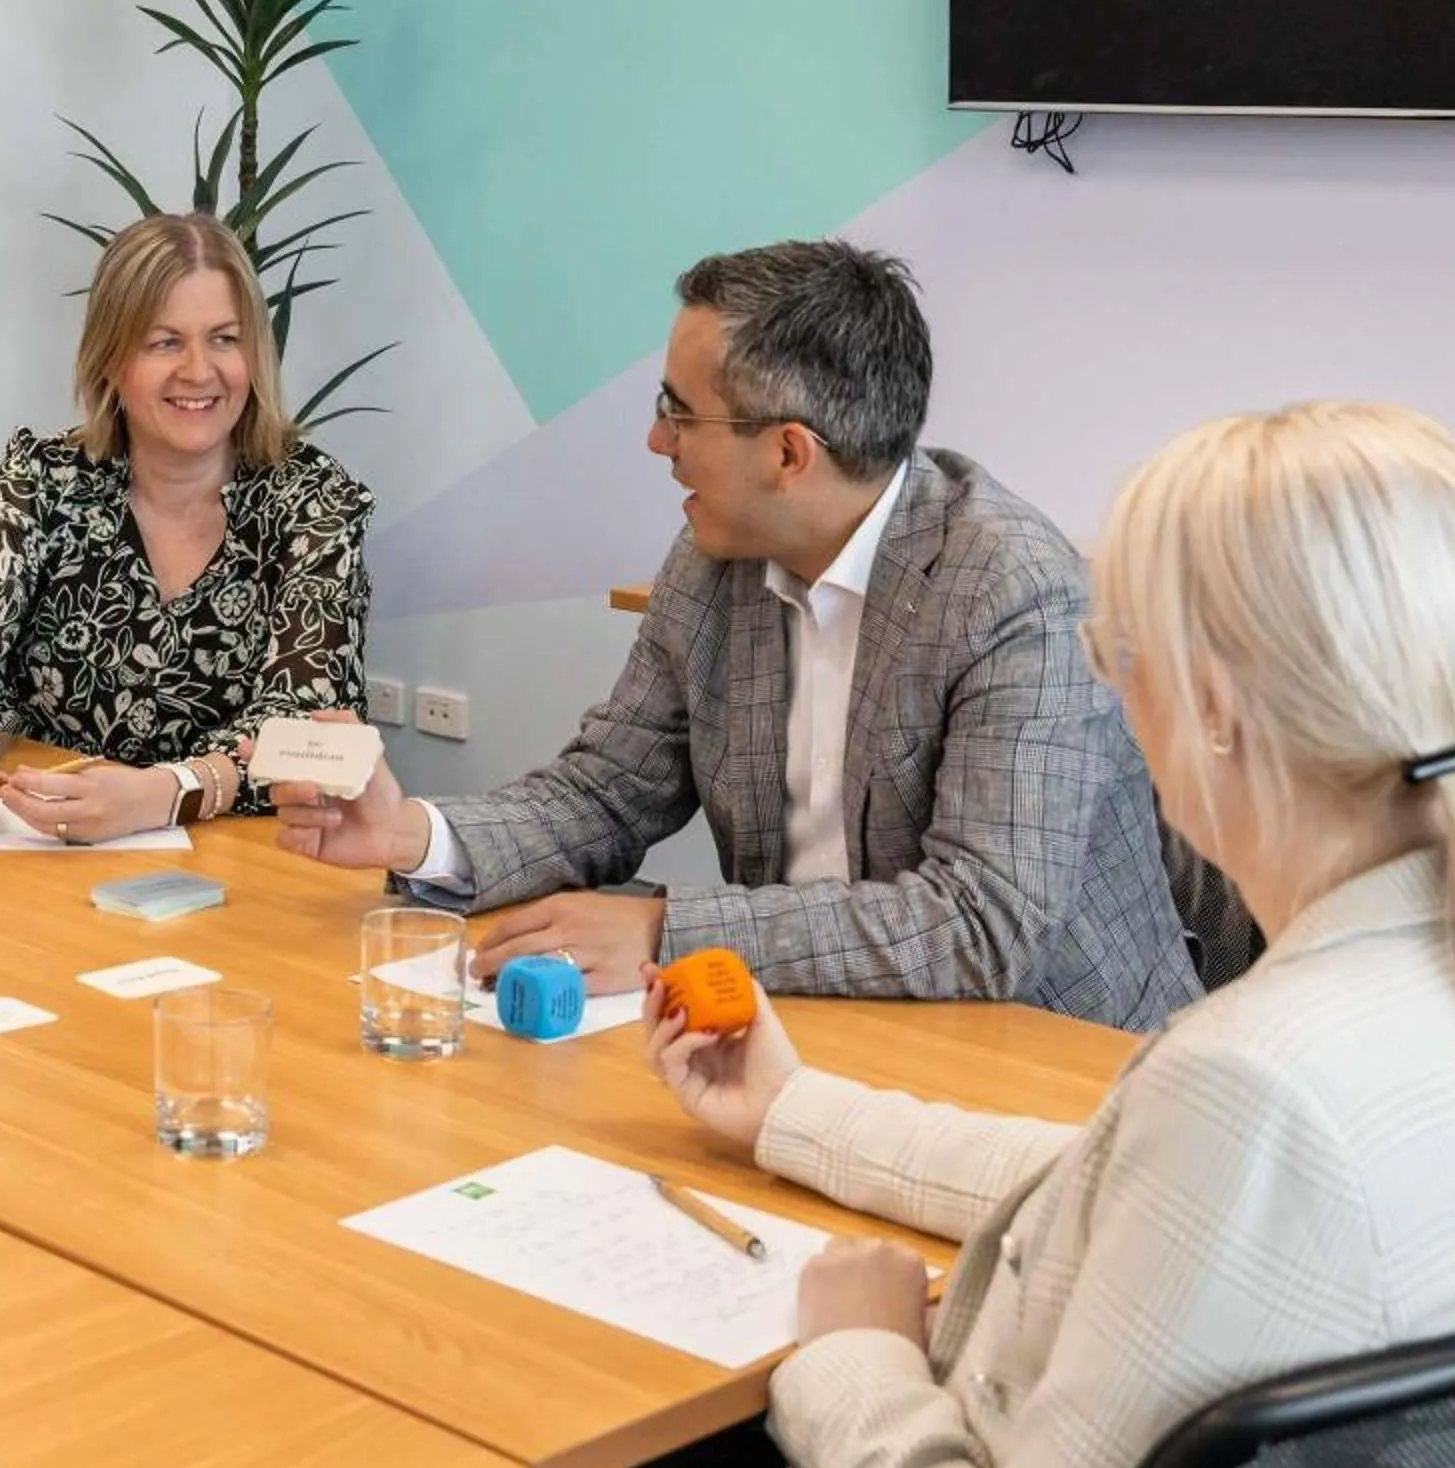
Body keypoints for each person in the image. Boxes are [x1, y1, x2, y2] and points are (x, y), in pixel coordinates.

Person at [239, 401, 1455, 1468]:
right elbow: (1115, 1174)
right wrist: (790, 1108)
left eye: (1121, 660)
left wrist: (851, 1356)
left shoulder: (1250, 1084)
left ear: (1220, 702)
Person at [273, 239, 1196, 1032]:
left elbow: (981, 925)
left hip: (1059, 1064)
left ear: (790, 453)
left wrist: (663, 931)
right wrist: (413, 835)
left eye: (678, 411)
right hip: (801, 1024)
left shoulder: (1012, 590)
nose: (654, 440)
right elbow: (607, 790)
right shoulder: (715, 556)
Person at [0, 212, 372, 839]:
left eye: (224, 338)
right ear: (111, 358)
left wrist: (170, 792)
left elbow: (313, 735)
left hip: (245, 869)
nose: (198, 371)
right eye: (165, 342)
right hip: (42, 856)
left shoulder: (312, 501)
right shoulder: (42, 479)